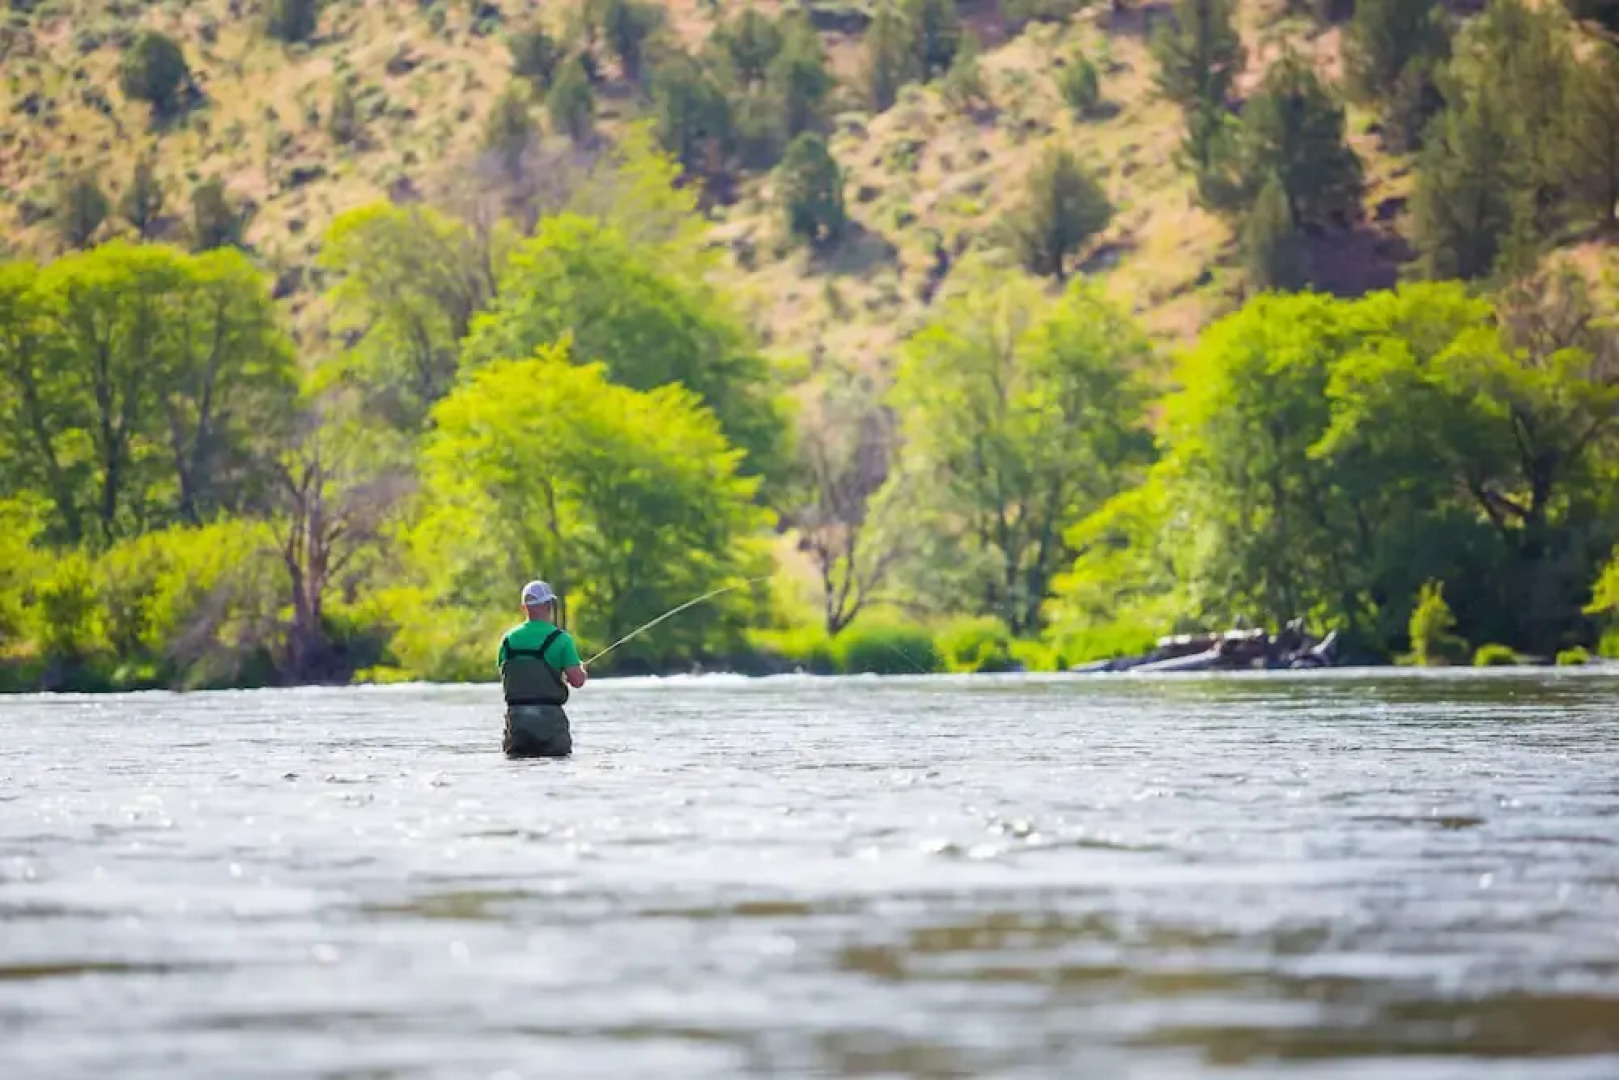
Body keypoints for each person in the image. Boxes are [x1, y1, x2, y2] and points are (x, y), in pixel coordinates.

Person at [497, 580, 587, 758]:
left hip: (517, 724)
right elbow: (577, 681)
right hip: (550, 724)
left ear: (524, 608)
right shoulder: (561, 639)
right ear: (548, 605)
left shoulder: (507, 640)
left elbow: (508, 676)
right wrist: (581, 670)